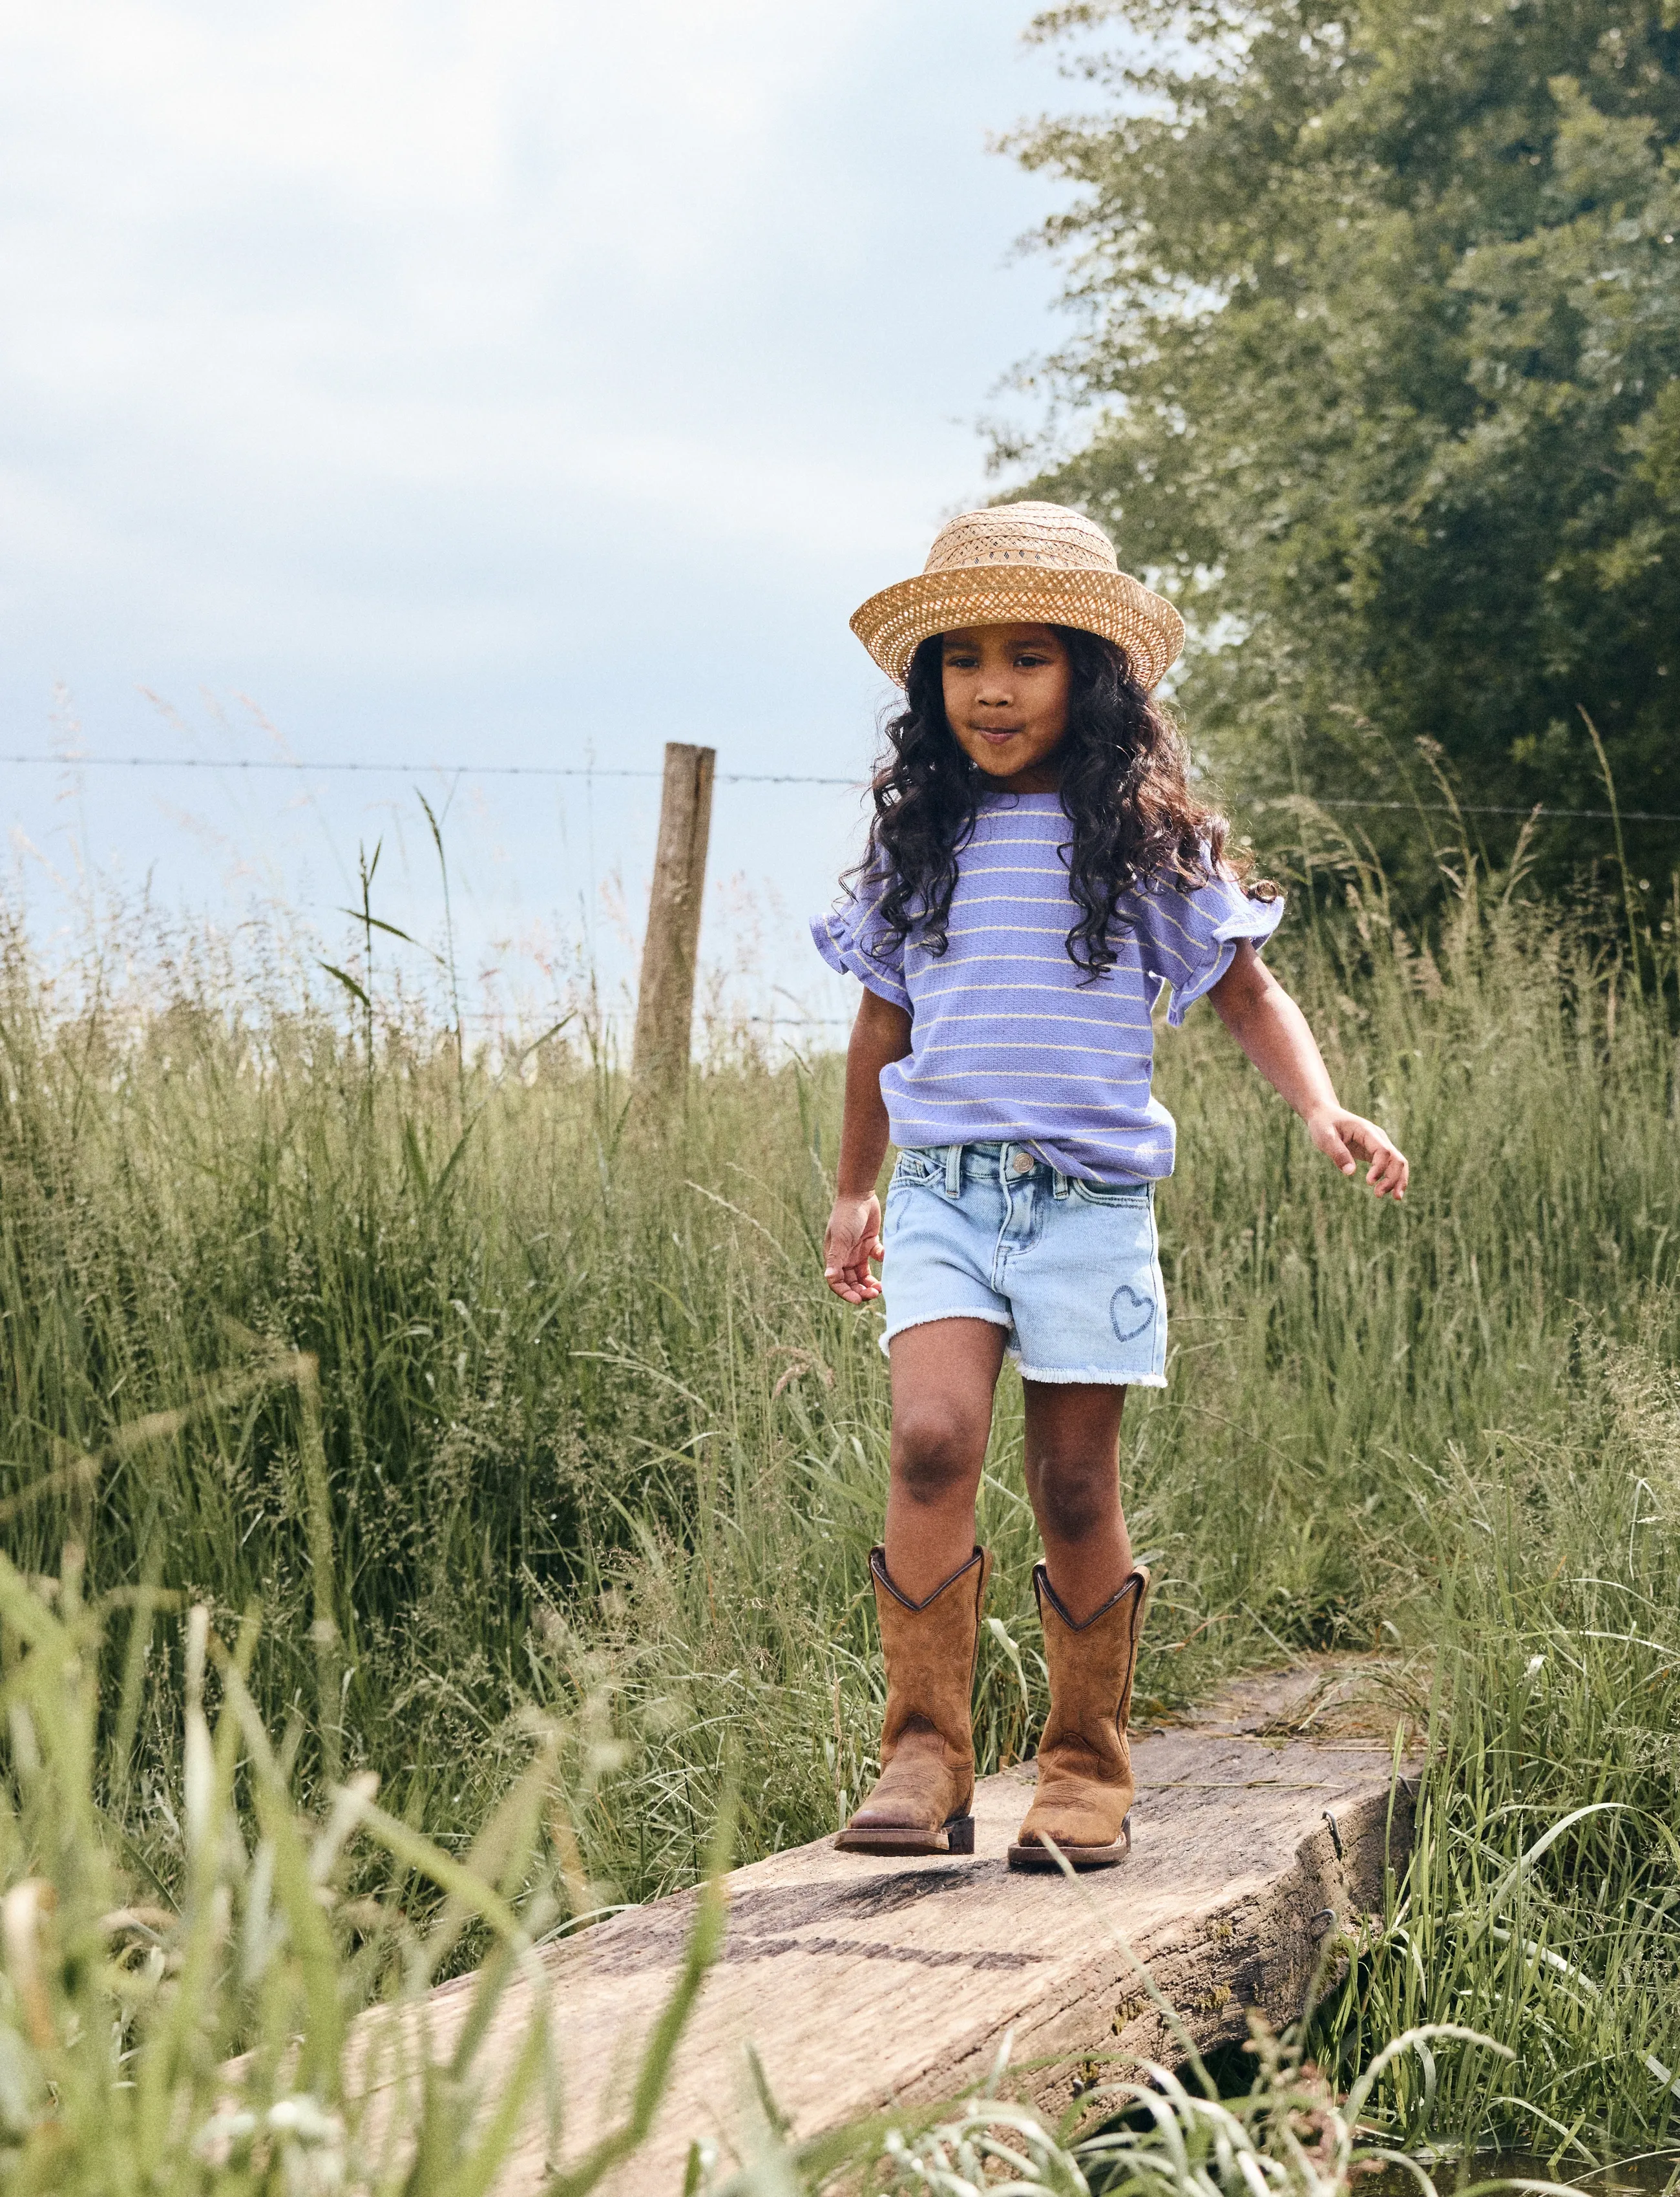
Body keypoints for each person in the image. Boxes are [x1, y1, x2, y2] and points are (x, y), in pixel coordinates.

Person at [812, 502, 1408, 1872]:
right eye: (963, 660)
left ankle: (1084, 1769)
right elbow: (876, 1030)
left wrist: (1320, 1105)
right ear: (930, 685)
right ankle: (924, 1751)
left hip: (1085, 1201)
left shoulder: (1139, 845)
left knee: (1075, 1482)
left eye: (1029, 655)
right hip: (949, 1194)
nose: (995, 687)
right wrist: (857, 1191)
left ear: (1091, 672)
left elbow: (1247, 991)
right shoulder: (920, 847)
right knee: (930, 1439)